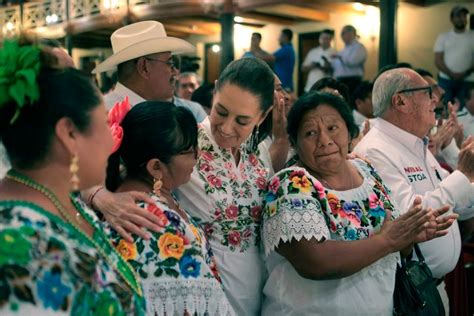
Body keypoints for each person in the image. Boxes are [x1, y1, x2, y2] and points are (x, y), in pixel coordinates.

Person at [261, 92, 456, 315]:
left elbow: (396, 250)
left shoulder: (367, 172)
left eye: (333, 128)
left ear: (350, 132)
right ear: (295, 142)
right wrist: (388, 241)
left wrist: (408, 235)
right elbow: (315, 262)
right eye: (310, 133)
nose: (324, 140)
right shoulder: (290, 184)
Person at [0, 39, 145, 314]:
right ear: (69, 134)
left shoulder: (67, 204)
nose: (111, 138)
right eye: (104, 122)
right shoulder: (16, 244)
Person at [354, 67, 474, 312]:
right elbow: (410, 218)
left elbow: (454, 207)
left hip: (434, 287)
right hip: (407, 292)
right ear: (400, 100)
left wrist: (468, 177)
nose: (435, 100)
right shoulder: (376, 150)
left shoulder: (414, 142)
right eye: (427, 93)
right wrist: (464, 174)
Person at [105, 101, 233, 315]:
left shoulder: (154, 197)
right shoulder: (151, 219)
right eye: (190, 151)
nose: (198, 156)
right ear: (155, 166)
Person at [175, 58, 275, 315]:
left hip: (260, 287)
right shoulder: (183, 143)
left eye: (242, 121)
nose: (227, 127)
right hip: (204, 288)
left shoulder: (260, 150)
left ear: (263, 115)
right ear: (216, 89)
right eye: (220, 112)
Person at [92, 20, 207, 123]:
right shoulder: (99, 116)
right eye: (170, 64)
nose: (175, 73)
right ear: (144, 67)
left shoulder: (185, 109)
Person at [434, 6, 474, 109]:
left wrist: (465, 73)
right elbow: (438, 60)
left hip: (467, 81)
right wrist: (451, 74)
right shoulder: (443, 37)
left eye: (464, 16)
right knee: (445, 110)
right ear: (452, 19)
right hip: (445, 80)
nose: (461, 18)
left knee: (465, 112)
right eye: (458, 16)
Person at [331, 25, 367, 95]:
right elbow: (336, 67)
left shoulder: (359, 47)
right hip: (340, 80)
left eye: (343, 33)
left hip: (352, 81)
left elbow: (353, 61)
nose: (341, 36)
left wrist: (340, 57)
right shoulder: (342, 50)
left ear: (351, 34)